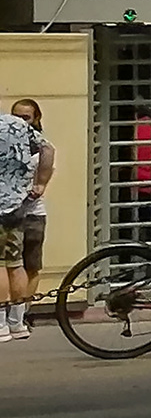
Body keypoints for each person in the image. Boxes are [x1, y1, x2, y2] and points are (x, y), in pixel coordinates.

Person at [0, 92, 46, 342]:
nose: (20, 121)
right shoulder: (24, 141)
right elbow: (49, 152)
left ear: (36, 118)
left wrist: (40, 185)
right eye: (16, 116)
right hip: (17, 210)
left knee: (15, 265)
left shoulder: (19, 139)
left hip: (13, 210)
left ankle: (9, 323)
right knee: (16, 264)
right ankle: (16, 322)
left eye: (26, 117)